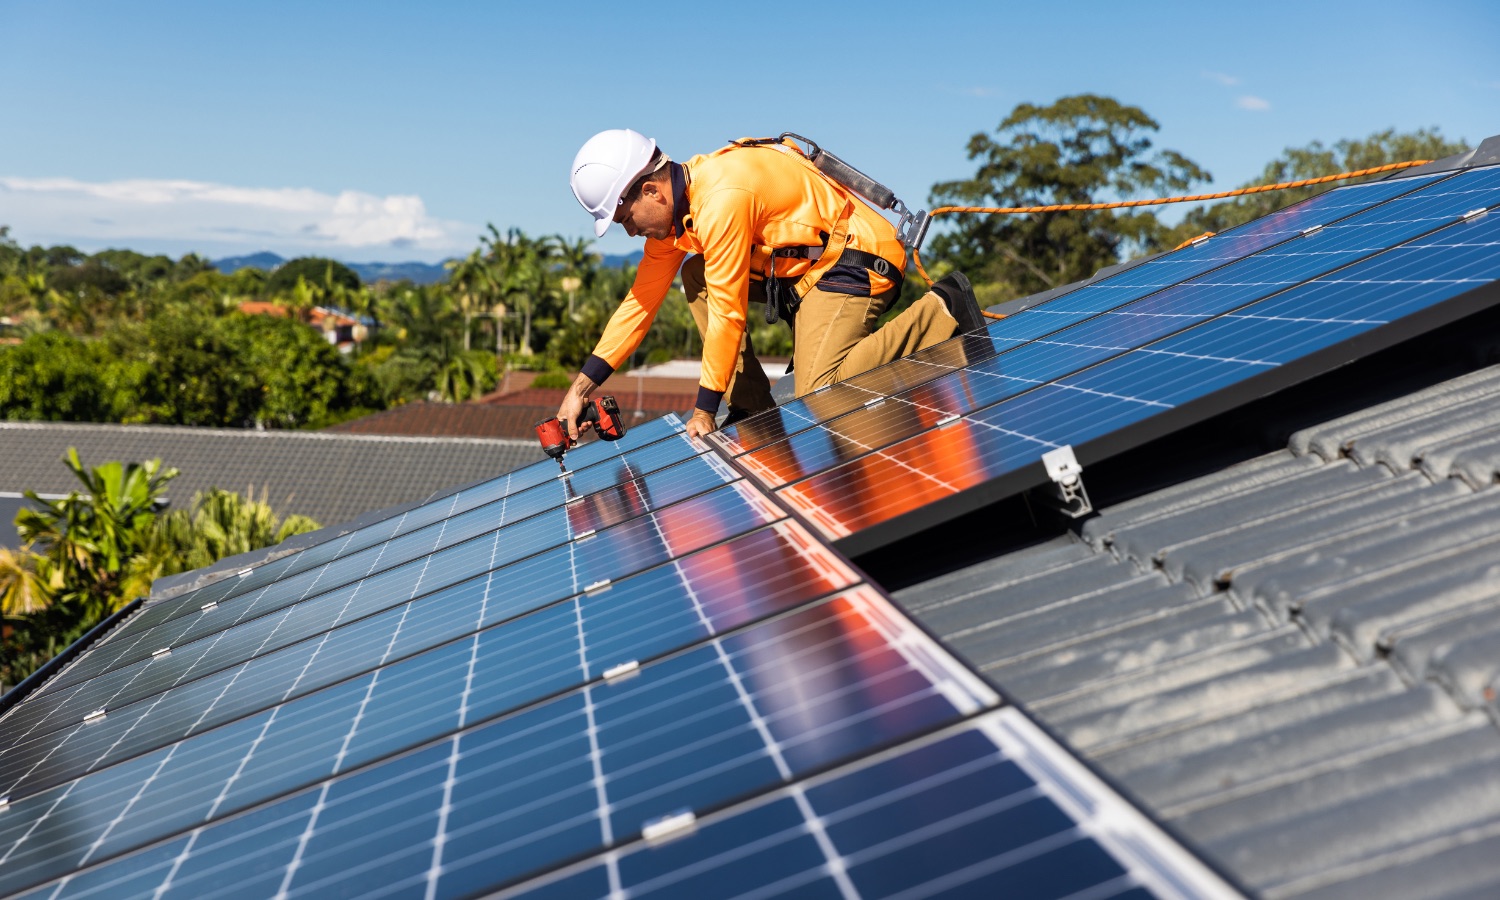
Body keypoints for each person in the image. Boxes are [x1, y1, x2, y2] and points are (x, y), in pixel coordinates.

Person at [557, 128, 984, 440]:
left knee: (821, 390)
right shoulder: (677, 222)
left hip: (855, 260)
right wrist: (580, 389)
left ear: (652, 191)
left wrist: (704, 410)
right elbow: (640, 303)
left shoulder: (722, 198)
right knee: (695, 273)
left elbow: (728, 311)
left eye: (625, 219)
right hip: (806, 275)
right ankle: (752, 407)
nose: (629, 232)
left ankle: (942, 308)